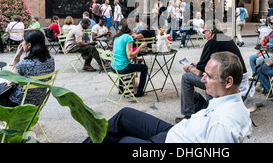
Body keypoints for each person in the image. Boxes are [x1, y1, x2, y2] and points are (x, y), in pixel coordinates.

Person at [93, 51, 252, 143]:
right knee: (125, 115)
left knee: (124, 140)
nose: (203, 79)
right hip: (178, 131)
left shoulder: (223, 123)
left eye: (209, 76)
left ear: (228, 82)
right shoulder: (228, 102)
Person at [0, 30, 55, 135]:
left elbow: (9, 80)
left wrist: (17, 56)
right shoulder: (50, 59)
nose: (22, 43)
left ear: (29, 45)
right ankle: (7, 124)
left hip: (18, 103)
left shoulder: (24, 64)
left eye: (23, 41)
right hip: (37, 102)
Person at [177, 20, 249, 123]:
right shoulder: (225, 38)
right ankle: (209, 111)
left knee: (187, 77)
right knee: (211, 77)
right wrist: (199, 65)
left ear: (210, 32)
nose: (204, 34)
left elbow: (198, 73)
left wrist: (188, 67)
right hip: (240, 78)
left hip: (231, 83)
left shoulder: (211, 43)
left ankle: (188, 115)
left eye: (204, 32)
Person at [112, 18, 148, 97]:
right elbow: (130, 56)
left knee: (124, 63)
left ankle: (121, 89)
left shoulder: (117, 37)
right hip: (123, 68)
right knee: (144, 67)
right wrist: (140, 47)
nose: (135, 29)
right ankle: (139, 92)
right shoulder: (128, 38)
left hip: (114, 67)